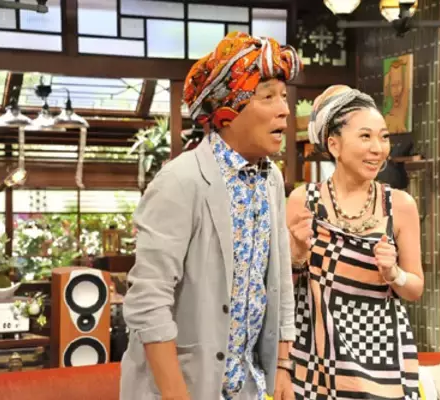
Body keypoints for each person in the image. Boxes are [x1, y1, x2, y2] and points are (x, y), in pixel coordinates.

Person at [119, 32, 303, 400]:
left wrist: (283, 366)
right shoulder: (180, 181)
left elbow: (280, 279)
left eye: (284, 96)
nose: (284, 109)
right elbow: (148, 300)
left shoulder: (271, 180)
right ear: (228, 111)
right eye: (267, 96)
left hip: (248, 386)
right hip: (183, 387)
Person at [287, 85, 424, 399]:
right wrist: (298, 252)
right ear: (334, 144)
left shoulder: (400, 205)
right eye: (365, 136)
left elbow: (415, 288)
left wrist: (394, 274)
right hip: (315, 358)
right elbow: (281, 287)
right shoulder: (302, 201)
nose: (378, 148)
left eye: (383, 137)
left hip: (383, 361)